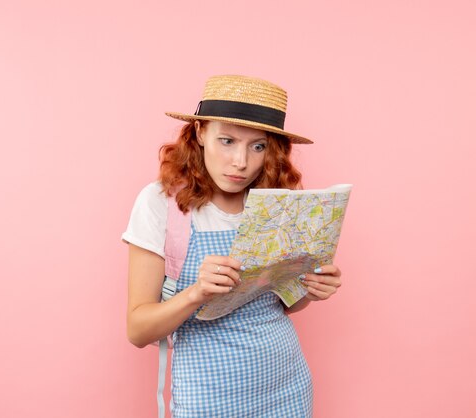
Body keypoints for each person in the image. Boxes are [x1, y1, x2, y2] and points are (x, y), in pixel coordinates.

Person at [122, 75, 342, 417]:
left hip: (287, 387)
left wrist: (309, 290)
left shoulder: (277, 205)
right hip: (208, 398)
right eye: (227, 141)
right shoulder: (161, 203)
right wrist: (197, 292)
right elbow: (137, 330)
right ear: (199, 132)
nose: (241, 161)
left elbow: (280, 306)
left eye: (258, 146)